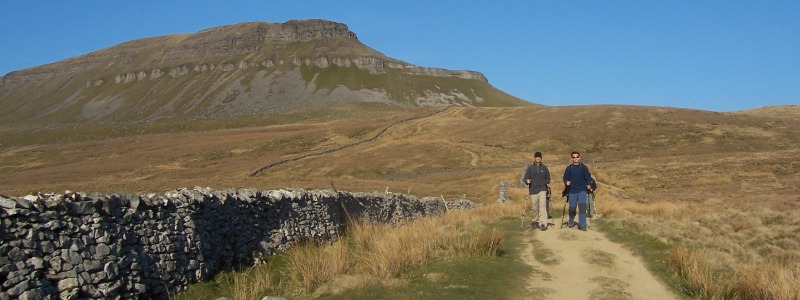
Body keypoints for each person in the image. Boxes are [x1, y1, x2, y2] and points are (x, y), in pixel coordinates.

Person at [563, 151, 593, 231]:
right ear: (572, 158)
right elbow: (565, 178)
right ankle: (571, 220)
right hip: (572, 191)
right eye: (574, 157)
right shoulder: (569, 168)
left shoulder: (584, 167)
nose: (575, 158)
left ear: (579, 158)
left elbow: (588, 177)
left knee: (582, 208)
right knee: (572, 208)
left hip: (582, 190)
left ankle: (582, 225)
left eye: (577, 157)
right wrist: (566, 182)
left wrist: (588, 183)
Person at [524, 151, 551, 231]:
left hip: (542, 189)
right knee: (534, 207)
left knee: (542, 206)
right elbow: (525, 178)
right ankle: (534, 221)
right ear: (534, 158)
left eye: (539, 157)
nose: (538, 158)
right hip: (533, 190)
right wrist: (527, 181)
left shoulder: (544, 167)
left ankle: (543, 223)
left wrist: (547, 182)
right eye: (537, 157)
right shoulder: (530, 167)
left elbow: (548, 177)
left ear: (541, 158)